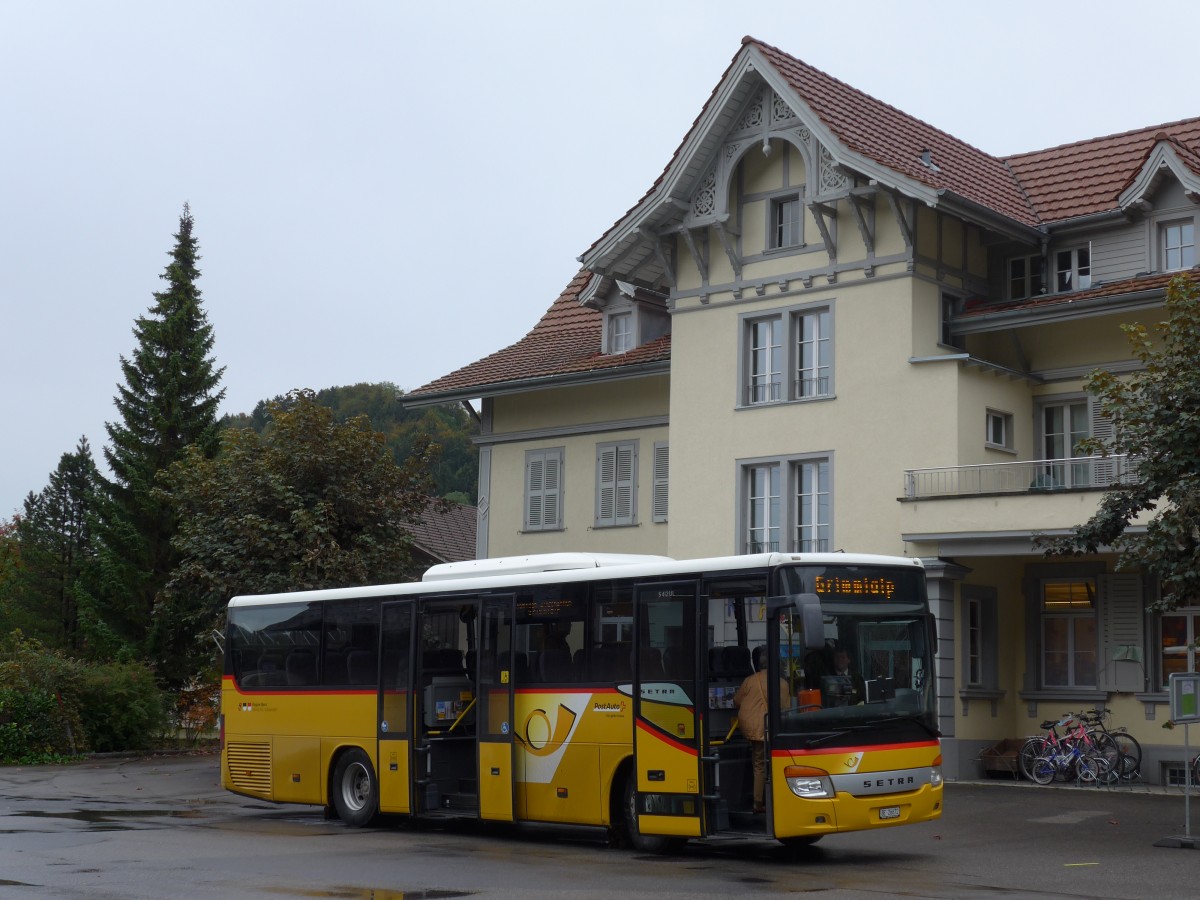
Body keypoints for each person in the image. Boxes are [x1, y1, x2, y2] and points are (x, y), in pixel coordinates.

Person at [732, 645, 789, 814]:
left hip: (756, 728)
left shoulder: (750, 680)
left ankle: (758, 802)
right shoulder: (782, 683)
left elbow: (737, 700)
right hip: (774, 729)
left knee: (759, 764)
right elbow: (785, 708)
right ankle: (774, 799)